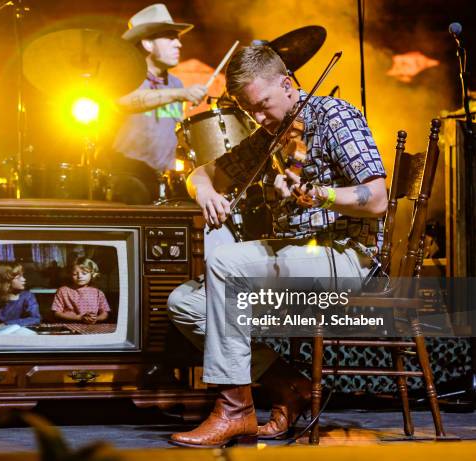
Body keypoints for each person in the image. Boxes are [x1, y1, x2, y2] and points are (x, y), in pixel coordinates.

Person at [168, 45, 388, 447]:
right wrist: (204, 193)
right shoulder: (269, 135)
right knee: (185, 302)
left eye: (263, 105)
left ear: (288, 85)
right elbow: (203, 173)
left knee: (225, 263)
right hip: (295, 254)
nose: (258, 117)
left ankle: (235, 410)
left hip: (346, 257)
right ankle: (289, 385)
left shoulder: (335, 116)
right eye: (250, 110)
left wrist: (320, 194)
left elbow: (377, 199)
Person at [111, 3, 207, 204]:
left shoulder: (175, 82)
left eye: (178, 39)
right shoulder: (125, 77)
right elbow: (126, 102)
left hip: (166, 181)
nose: (178, 44)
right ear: (147, 43)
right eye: (170, 37)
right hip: (128, 179)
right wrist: (181, 94)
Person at [51, 257, 111, 324]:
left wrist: (95, 319)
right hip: (69, 326)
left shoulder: (98, 293)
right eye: (75, 274)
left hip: (92, 327)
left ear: (92, 274)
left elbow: (105, 313)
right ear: (70, 274)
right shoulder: (63, 291)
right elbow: (56, 313)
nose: (79, 276)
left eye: (84, 273)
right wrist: (79, 318)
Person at [0, 262, 41, 327]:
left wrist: (5, 324)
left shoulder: (28, 296)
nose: (24, 279)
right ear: (6, 281)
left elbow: (36, 319)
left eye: (23, 276)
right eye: (18, 277)